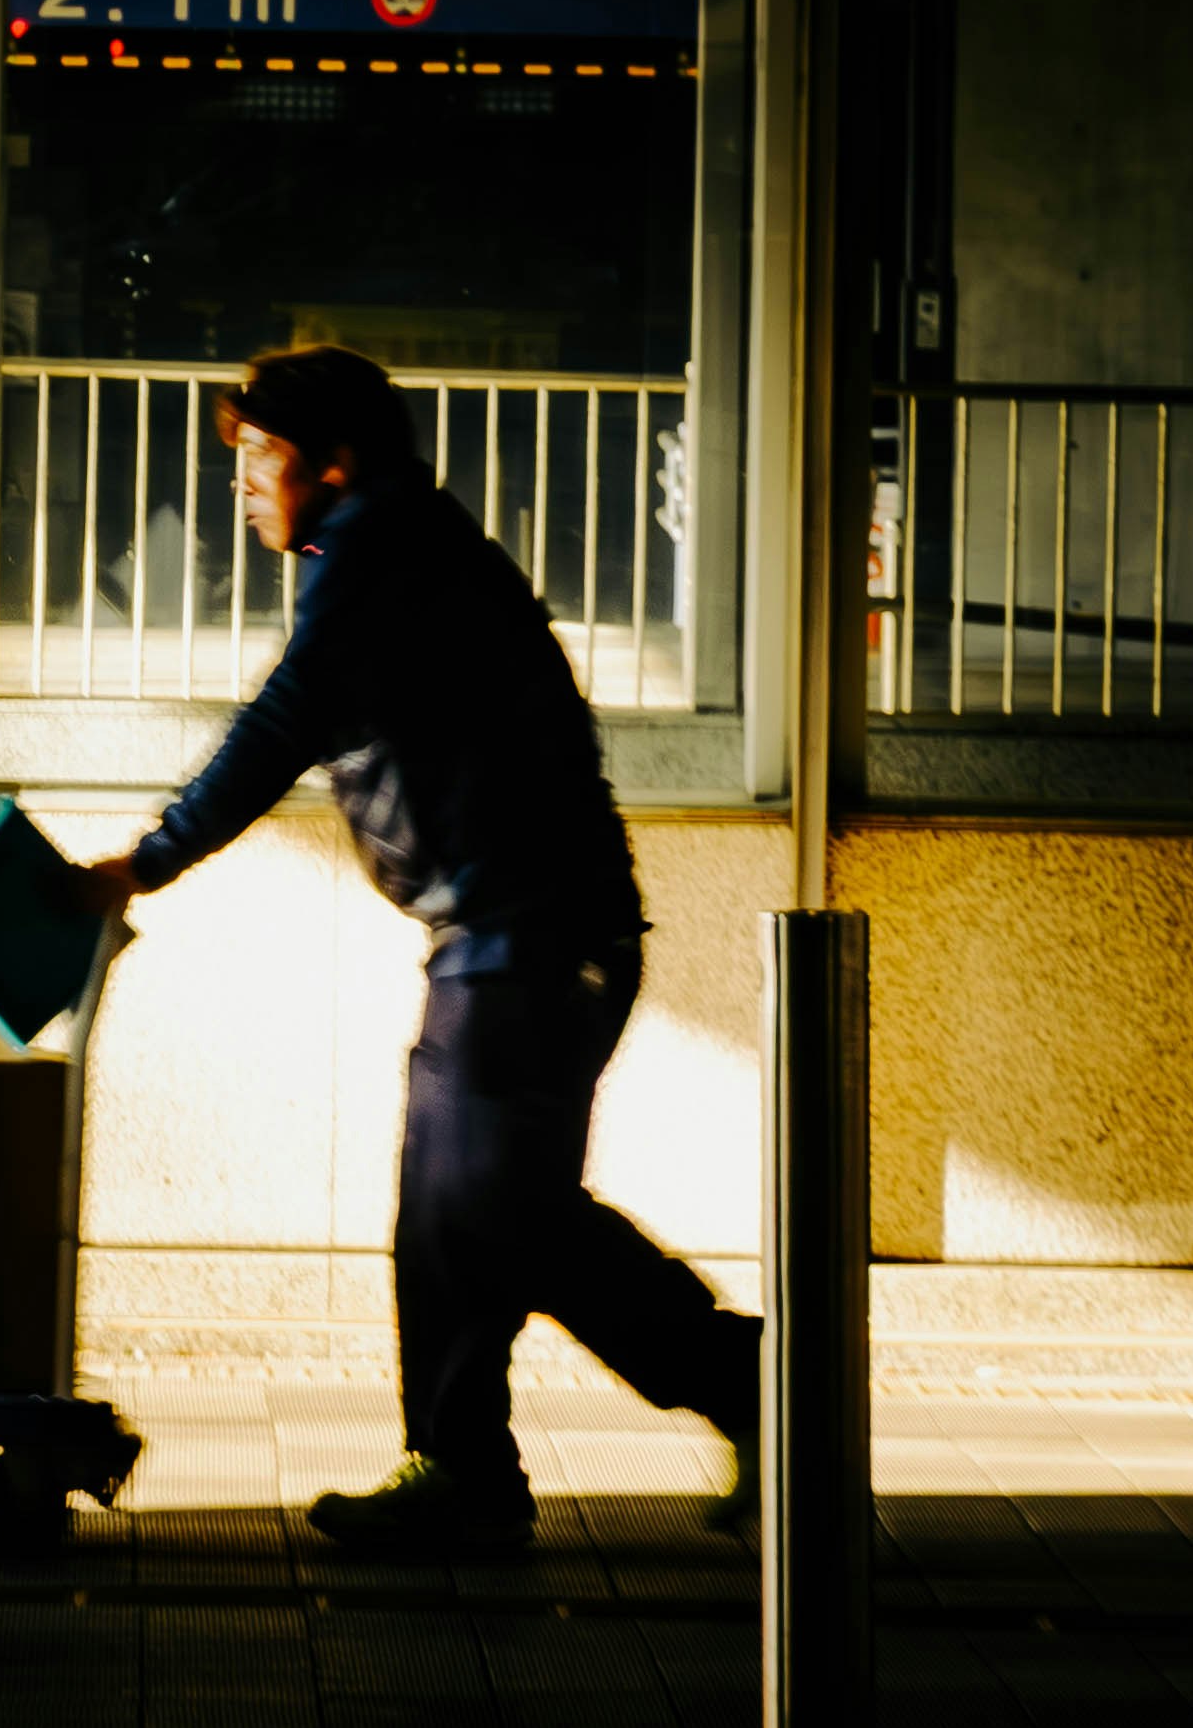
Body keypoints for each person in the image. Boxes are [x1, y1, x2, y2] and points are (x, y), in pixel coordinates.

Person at [58, 344, 763, 1556]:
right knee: (473, 1212)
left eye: (260, 457)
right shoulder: (394, 547)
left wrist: (148, 858)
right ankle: (489, 1461)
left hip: (528, 940)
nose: (243, 484)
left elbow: (283, 722)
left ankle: (706, 1403)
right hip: (516, 935)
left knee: (486, 1211)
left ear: (331, 462)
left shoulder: (382, 553)